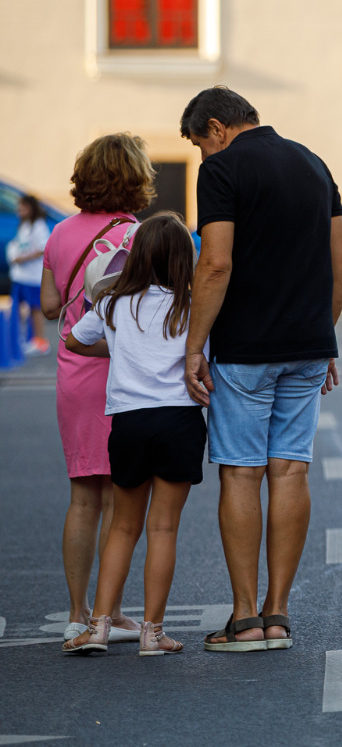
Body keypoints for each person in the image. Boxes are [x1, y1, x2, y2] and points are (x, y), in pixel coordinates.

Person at [180, 86, 342, 651]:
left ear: (216, 126)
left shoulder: (223, 172)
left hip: (245, 348)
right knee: (291, 472)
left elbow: (215, 262)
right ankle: (278, 614)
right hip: (308, 344)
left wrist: (194, 347)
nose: (203, 157)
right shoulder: (314, 163)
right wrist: (323, 332)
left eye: (200, 145)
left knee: (239, 472)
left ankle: (244, 617)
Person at [59, 214, 205, 656]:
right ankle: (152, 632)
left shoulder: (113, 303)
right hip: (179, 421)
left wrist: (116, 344)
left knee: (123, 526)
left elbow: (72, 341)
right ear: (185, 259)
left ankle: (99, 626)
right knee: (163, 528)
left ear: (135, 255)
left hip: (129, 422)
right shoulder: (194, 305)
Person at [40, 134, 153, 648]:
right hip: (119, 371)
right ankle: (110, 612)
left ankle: (76, 611)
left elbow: (47, 305)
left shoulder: (60, 232)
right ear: (135, 177)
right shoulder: (137, 233)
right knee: (120, 501)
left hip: (72, 370)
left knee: (81, 496)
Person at [7, 193, 50, 353]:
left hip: (32, 277)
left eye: (23, 207)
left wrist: (23, 258)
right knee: (19, 308)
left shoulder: (39, 226)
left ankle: (41, 341)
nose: (20, 209)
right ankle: (26, 338)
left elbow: (42, 249)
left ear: (31, 208)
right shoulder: (23, 225)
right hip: (19, 276)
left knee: (35, 309)